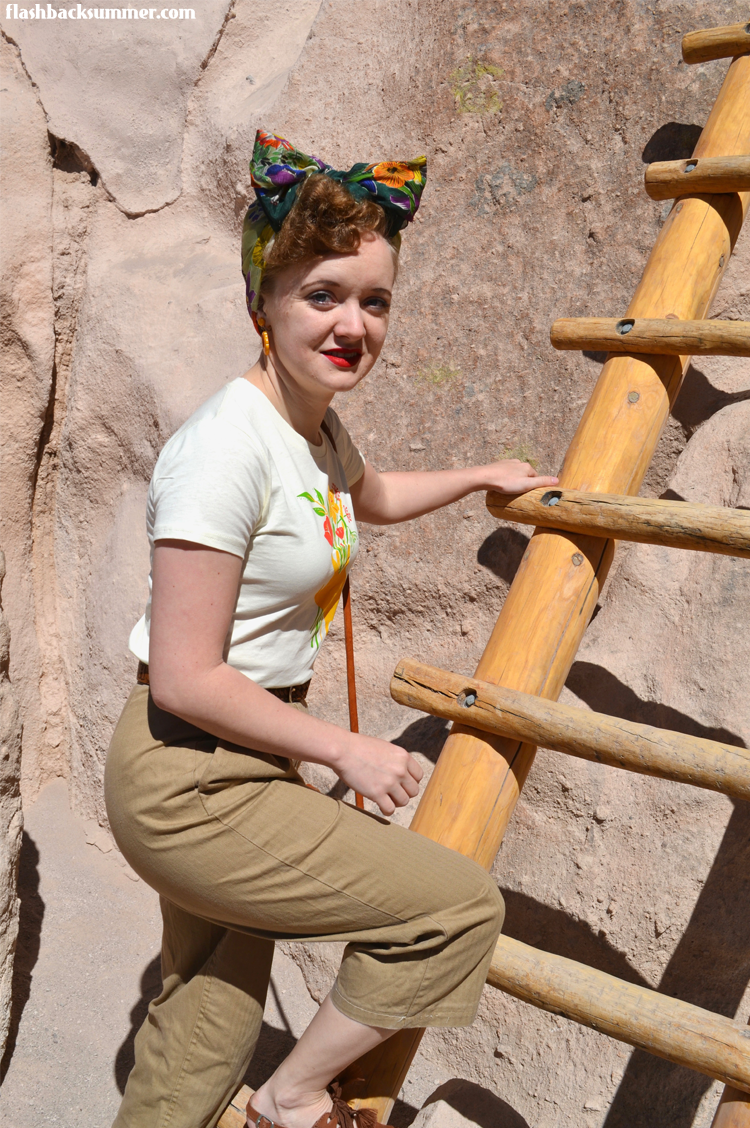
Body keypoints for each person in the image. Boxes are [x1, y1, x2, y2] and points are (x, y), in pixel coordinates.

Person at [104, 130, 559, 1128]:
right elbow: (183, 676)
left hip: (246, 760)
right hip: (190, 776)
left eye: (375, 300)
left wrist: (482, 475)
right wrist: (345, 751)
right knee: (453, 908)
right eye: (323, 296)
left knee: (207, 1019)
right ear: (262, 300)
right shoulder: (225, 448)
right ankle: (294, 1094)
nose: (354, 324)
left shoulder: (310, 423)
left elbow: (372, 497)